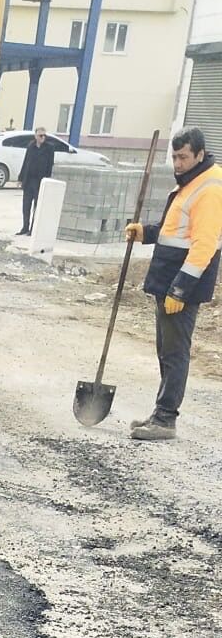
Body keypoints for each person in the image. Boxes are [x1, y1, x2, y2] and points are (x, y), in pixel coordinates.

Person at [125, 127, 222, 441]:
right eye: (174, 157)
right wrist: (145, 233)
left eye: (183, 157)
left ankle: (166, 419)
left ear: (199, 154)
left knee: (175, 353)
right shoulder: (191, 181)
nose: (177, 163)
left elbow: (204, 245)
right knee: (166, 351)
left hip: (181, 286)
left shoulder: (209, 188)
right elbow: (175, 230)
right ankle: (160, 413)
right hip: (169, 281)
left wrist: (180, 290)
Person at [18, 127, 55, 235]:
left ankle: (33, 229)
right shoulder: (31, 146)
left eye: (44, 135)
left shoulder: (49, 148)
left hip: (40, 181)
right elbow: (26, 162)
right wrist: (21, 178)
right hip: (29, 180)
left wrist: (47, 179)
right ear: (36, 136)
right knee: (26, 206)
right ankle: (25, 227)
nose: (43, 137)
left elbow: (50, 165)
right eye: (40, 135)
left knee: (37, 207)